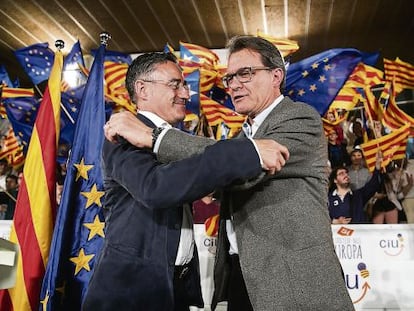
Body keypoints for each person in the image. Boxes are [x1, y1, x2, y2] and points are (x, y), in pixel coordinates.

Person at [104, 36, 354, 310]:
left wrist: (153, 136)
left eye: (245, 73)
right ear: (142, 89)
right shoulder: (241, 138)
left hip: (295, 281)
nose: (234, 84)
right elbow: (194, 176)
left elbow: (239, 167)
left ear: (276, 75)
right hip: (240, 280)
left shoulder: (298, 118)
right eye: (230, 78)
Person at [82, 52, 289, 311]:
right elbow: (156, 189)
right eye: (175, 84)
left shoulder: (172, 139)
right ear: (142, 89)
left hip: (172, 289)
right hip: (132, 293)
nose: (185, 94)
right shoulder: (124, 133)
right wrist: (249, 152)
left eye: (184, 85)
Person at [328, 152, 382, 224]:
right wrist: (334, 221)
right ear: (335, 180)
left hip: (357, 233)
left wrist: (377, 166)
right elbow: (320, 216)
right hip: (335, 233)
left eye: (346, 173)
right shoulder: (328, 197)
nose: (345, 175)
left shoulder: (358, 195)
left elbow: (373, 185)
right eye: (341, 173)